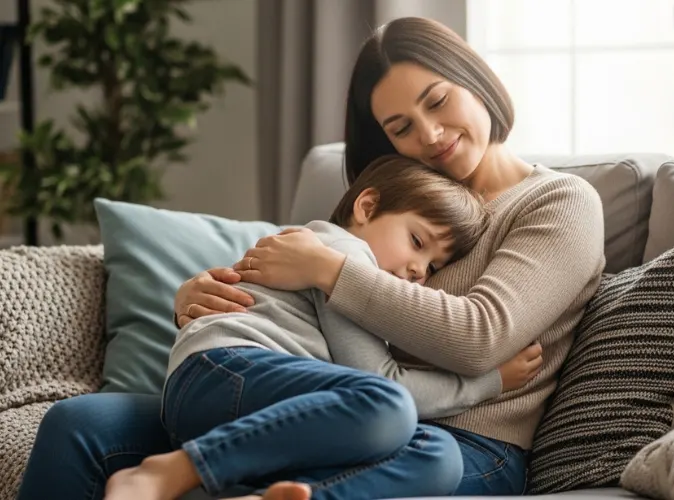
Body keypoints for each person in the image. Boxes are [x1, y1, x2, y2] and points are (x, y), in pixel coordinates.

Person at [17, 15, 602, 500]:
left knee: (422, 445)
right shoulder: (398, 206)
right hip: (321, 403)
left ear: (475, 79)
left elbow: (481, 338)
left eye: (438, 100)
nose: (429, 134)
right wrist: (198, 297)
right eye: (401, 127)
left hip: (463, 443)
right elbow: (292, 295)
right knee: (79, 424)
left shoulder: (560, 201)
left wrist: (329, 271)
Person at [101, 155, 543, 500]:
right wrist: (488, 382)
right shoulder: (341, 254)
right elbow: (381, 383)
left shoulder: (329, 257)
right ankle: (174, 470)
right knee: (384, 402)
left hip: (241, 401)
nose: (417, 270)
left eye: (433, 265)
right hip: (229, 372)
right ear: (366, 207)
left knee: (437, 453)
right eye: (416, 241)